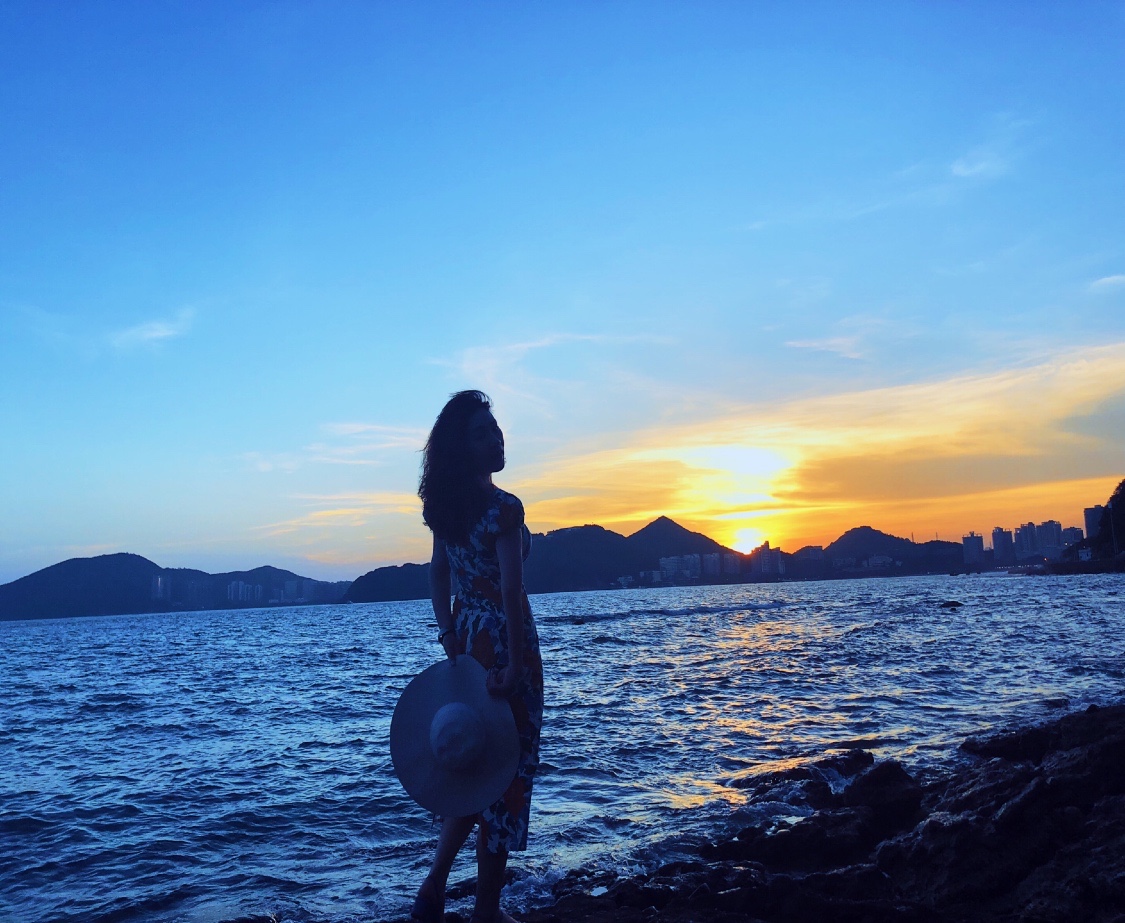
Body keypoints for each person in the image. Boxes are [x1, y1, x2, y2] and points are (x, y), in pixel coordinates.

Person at [412, 390, 544, 923]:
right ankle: (486, 911)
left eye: (496, 428)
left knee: (473, 766)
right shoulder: (503, 509)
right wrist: (513, 665)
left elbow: (438, 574)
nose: (496, 439)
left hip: (468, 646)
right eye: (482, 434)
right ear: (463, 449)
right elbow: (511, 590)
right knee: (504, 773)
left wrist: (449, 635)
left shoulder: (446, 511)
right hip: (506, 645)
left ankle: (433, 888)